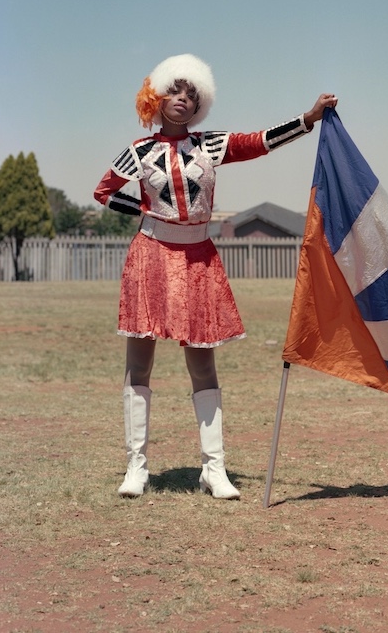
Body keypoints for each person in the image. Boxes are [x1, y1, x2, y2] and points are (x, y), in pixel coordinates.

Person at [94, 53, 337, 499]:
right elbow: (104, 192)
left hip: (198, 258)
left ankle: (214, 469)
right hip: (150, 256)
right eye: (175, 92)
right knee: (139, 361)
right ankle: (137, 468)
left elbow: (259, 141)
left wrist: (308, 119)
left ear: (199, 104)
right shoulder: (138, 151)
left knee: (203, 363)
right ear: (157, 97)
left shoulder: (210, 145)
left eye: (192, 95)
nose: (182, 100)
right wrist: (144, 209)